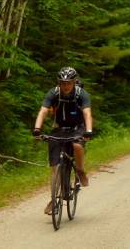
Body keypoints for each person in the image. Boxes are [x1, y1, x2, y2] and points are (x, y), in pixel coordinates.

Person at [32, 66, 93, 215]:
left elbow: (87, 113)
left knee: (77, 145)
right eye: (62, 83)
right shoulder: (54, 93)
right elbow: (44, 111)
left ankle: (79, 171)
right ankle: (54, 199)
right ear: (59, 82)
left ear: (74, 82)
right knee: (55, 168)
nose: (65, 86)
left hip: (78, 127)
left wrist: (89, 131)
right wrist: (37, 129)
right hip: (60, 128)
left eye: (68, 83)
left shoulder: (81, 94)